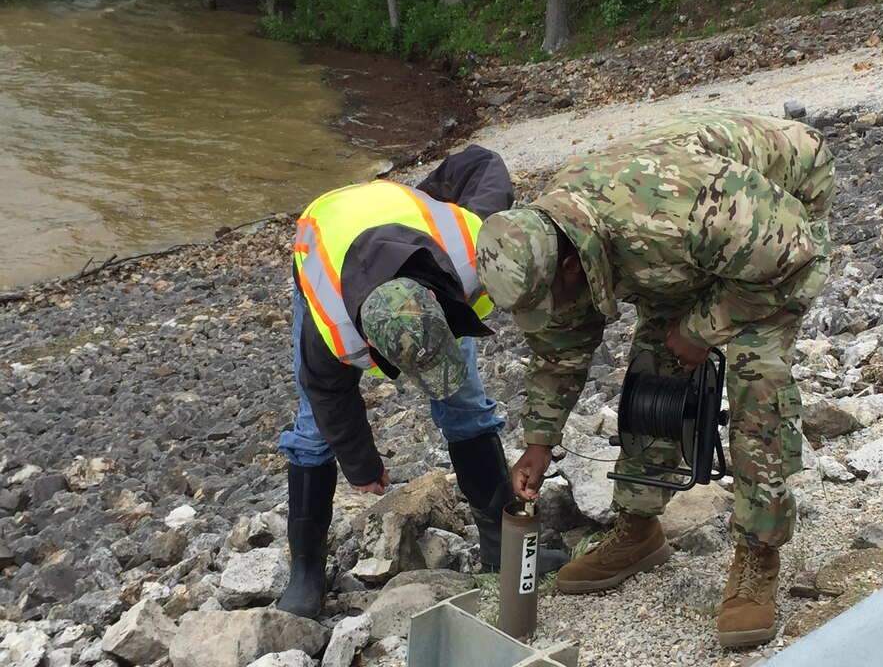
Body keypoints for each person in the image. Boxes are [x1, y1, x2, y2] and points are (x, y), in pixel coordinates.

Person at [474, 110, 835, 647]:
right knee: (654, 371)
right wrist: (539, 441)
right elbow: (560, 345)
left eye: (549, 298)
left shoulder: (673, 212)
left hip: (780, 216)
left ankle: (759, 554)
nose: (551, 310)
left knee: (755, 373)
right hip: (692, 246)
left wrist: (702, 327)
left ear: (571, 268)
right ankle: (639, 528)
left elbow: (793, 254)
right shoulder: (550, 236)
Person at [278, 145, 567, 619]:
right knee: (313, 430)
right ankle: (306, 569)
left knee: (466, 401)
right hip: (325, 237)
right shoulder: (328, 321)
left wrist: (431, 197)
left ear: (434, 296)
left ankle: (499, 542)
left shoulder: (471, 246)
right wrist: (363, 466)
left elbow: (478, 162)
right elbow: (329, 393)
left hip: (402, 228)